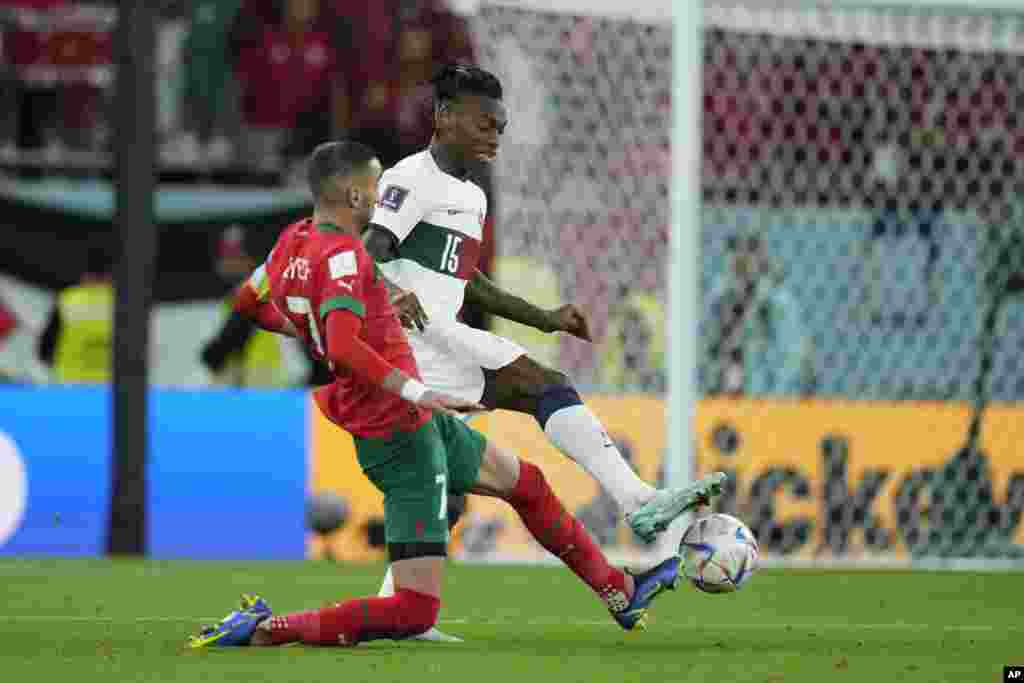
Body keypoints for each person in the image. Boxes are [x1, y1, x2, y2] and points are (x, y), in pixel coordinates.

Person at [188, 141, 685, 649]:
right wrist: (417, 390)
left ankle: (620, 590)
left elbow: (250, 301)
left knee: (526, 484)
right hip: (399, 430)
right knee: (413, 610)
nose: (382, 195)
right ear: (352, 194)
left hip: (400, 416)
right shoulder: (342, 257)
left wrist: (303, 328)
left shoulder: (291, 242)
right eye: (376, 185)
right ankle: (267, 629)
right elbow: (340, 344)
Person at [362, 65, 725, 545]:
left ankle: (403, 611)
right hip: (415, 342)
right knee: (545, 385)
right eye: (483, 124)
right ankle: (637, 499)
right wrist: (391, 293)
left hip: (437, 344)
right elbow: (367, 249)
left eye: (501, 128)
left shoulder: (471, 196)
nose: (494, 136)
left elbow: (466, 279)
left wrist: (545, 318)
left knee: (445, 500)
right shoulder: (411, 178)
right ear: (445, 118)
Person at [37, 243, 113, 384]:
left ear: (85, 276)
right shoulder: (127, 304)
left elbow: (44, 350)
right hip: (114, 390)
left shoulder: (67, 299)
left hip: (71, 385)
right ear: (111, 277)